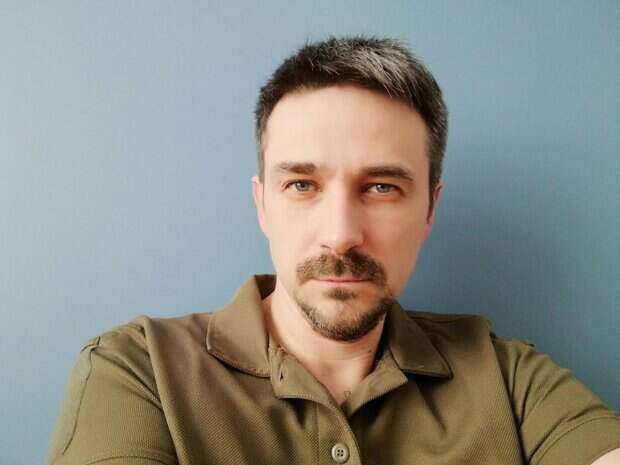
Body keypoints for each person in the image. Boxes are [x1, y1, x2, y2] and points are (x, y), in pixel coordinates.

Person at [47, 36, 620, 465]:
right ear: (263, 205)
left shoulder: (512, 380)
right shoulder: (137, 370)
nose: (341, 234)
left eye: (382, 187)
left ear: (430, 209)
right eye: (302, 185)